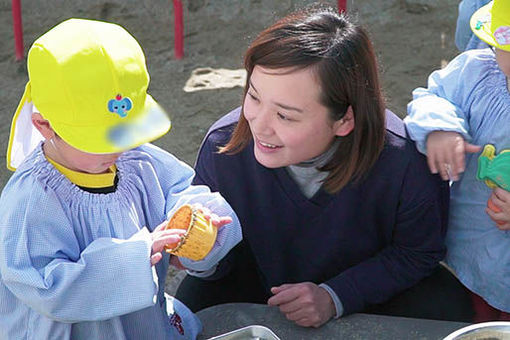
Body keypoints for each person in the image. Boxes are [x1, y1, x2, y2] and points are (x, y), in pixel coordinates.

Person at [175, 6, 473, 328]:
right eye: (254, 96)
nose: (259, 125)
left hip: (369, 290)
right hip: (258, 285)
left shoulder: (405, 161)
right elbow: (220, 263)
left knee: (446, 305)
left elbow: (418, 253)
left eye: (285, 115)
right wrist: (202, 255)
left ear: (344, 119)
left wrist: (336, 296)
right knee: (189, 306)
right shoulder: (224, 148)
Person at [0, 18, 242, 339]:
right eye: (102, 139)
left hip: (140, 320)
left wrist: (196, 218)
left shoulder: (135, 158)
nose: (120, 148)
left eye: (126, 132)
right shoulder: (33, 197)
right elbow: (43, 285)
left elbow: (179, 189)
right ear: (45, 125)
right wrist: (137, 257)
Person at [405, 0, 510, 322]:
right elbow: (434, 96)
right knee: (476, 314)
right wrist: (440, 128)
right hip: (472, 243)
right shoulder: (475, 71)